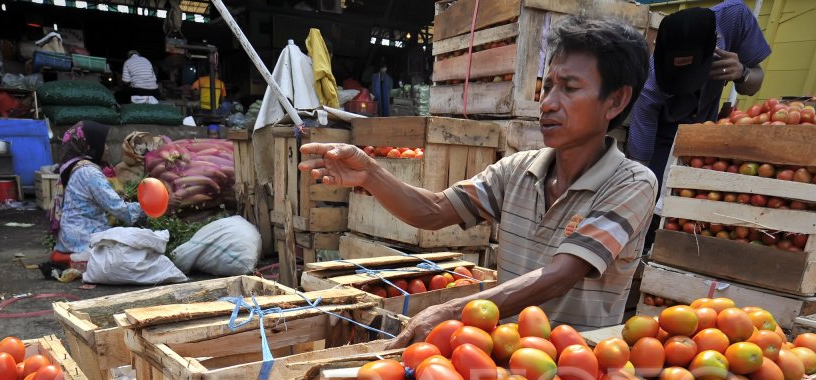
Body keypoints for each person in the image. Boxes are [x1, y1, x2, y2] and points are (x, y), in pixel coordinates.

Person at [299, 15, 656, 341]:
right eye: (547, 87)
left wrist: (453, 310)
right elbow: (434, 211)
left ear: (615, 101)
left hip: (580, 375)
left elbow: (561, 274)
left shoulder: (631, 183)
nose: (548, 102)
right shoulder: (518, 171)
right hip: (500, 361)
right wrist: (372, 174)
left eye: (570, 88)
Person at [627, 1, 771, 184]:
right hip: (664, 134)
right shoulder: (651, 83)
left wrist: (743, 73)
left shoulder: (734, 18)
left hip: (706, 133)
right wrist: (641, 186)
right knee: (653, 186)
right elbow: (640, 159)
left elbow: (753, 85)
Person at [53, 121, 144, 263]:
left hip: (71, 234)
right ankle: (73, 258)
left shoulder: (78, 167)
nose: (107, 148)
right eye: (104, 143)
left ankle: (71, 257)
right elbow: (120, 209)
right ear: (92, 146)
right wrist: (148, 209)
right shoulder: (90, 172)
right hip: (83, 236)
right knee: (137, 248)